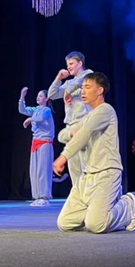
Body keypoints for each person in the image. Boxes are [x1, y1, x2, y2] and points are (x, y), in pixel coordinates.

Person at [52, 72, 135, 234]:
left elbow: (85, 132)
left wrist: (63, 157)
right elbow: (63, 135)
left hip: (106, 173)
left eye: (87, 87)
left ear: (100, 90)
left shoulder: (106, 110)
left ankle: (126, 207)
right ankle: (97, 210)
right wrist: (72, 132)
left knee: (96, 225)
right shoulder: (88, 117)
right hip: (87, 177)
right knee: (65, 223)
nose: (83, 91)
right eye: (82, 87)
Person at [48, 52, 94, 191]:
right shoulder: (68, 83)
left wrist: (68, 92)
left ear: (80, 63)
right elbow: (51, 94)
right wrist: (59, 78)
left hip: (83, 123)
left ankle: (91, 197)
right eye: (67, 64)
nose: (68, 67)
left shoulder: (88, 75)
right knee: (74, 167)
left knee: (86, 163)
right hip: (70, 126)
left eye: (71, 63)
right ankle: (79, 197)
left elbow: (79, 82)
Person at [19, 87, 55, 206]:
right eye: (37, 96)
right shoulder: (36, 109)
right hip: (35, 142)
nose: (38, 98)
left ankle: (44, 197)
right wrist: (22, 96)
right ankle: (37, 196)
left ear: (46, 99)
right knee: (34, 170)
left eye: (41, 96)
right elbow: (22, 110)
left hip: (45, 143)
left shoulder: (46, 110)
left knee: (43, 170)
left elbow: (41, 118)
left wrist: (30, 119)